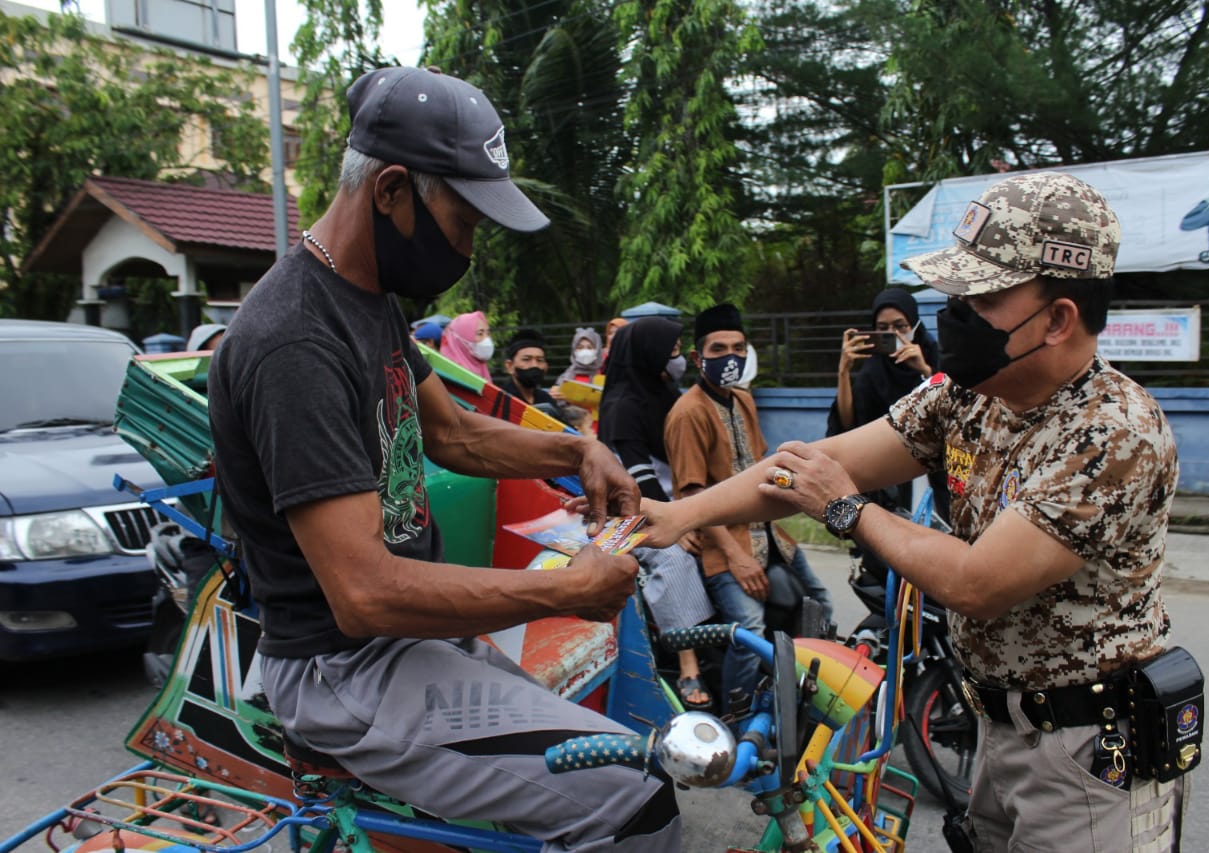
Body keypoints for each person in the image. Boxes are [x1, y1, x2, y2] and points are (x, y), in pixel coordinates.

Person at [206, 66, 679, 852]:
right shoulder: (295, 340)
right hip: (345, 670)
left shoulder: (370, 300)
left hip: (407, 647)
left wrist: (577, 446)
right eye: (462, 222)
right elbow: (364, 593)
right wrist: (566, 590)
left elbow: (453, 434)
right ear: (391, 190)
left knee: (613, 753)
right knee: (633, 799)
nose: (468, 246)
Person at [642, 173, 1188, 852]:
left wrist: (845, 508)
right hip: (997, 723)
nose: (954, 315)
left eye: (982, 297)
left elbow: (977, 582)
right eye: (955, 294)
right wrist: (673, 516)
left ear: (1057, 319)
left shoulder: (1113, 431)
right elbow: (807, 465)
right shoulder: (967, 394)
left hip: (1086, 750)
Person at [662, 303, 834, 707]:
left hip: (771, 534)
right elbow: (692, 496)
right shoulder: (687, 413)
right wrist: (736, 558)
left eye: (738, 348)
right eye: (718, 349)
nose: (730, 357)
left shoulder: (742, 400)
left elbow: (760, 466)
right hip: (726, 547)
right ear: (696, 357)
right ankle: (738, 714)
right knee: (749, 631)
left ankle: (805, 698)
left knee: (820, 604)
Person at [597, 317, 715, 710]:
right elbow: (637, 477)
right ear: (648, 352)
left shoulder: (667, 394)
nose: (678, 357)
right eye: (674, 349)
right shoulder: (622, 406)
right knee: (674, 557)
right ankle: (688, 665)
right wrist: (677, 523)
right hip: (632, 511)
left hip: (677, 502)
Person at [827, 287, 949, 542]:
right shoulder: (873, 371)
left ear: (915, 324)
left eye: (900, 326)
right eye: (882, 328)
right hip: (892, 480)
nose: (892, 334)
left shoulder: (938, 358)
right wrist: (843, 371)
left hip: (937, 478)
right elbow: (849, 426)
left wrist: (926, 370)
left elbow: (955, 409)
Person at [497, 327, 558, 408]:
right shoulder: (499, 400)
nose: (534, 365)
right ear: (510, 366)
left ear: (546, 367)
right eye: (526, 359)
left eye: (539, 360)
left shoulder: (547, 400)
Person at [439, 309, 494, 380]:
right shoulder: (451, 375)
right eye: (480, 333)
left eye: (488, 333)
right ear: (461, 339)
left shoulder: (482, 368)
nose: (486, 338)